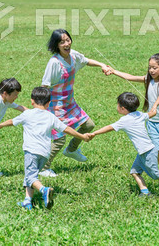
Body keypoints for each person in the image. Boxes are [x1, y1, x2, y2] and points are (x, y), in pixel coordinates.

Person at [0, 87, 91, 210]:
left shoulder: (27, 113)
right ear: (49, 103)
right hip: (45, 153)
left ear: (32, 101)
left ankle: (44, 190)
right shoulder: (51, 117)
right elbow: (66, 129)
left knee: (30, 176)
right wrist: (82, 136)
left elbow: (12, 121)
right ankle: (27, 201)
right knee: (31, 175)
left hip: (31, 151)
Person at [39, 29, 109, 177]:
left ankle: (71, 150)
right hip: (55, 105)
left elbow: (86, 61)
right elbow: (44, 86)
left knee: (88, 125)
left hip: (70, 102)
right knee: (59, 138)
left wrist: (102, 64)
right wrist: (41, 108)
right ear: (56, 45)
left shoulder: (73, 55)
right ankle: (44, 168)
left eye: (68, 40)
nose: (66, 44)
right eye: (62, 42)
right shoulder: (54, 63)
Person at [89, 92, 159, 197]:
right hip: (144, 151)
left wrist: (94, 133)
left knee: (156, 175)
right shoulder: (139, 114)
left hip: (147, 151)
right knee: (135, 172)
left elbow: (110, 127)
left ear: (122, 108)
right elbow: (150, 114)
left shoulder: (124, 120)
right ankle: (145, 192)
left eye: (117, 105)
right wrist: (154, 110)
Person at [105, 53, 159, 172]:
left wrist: (155, 104)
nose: (151, 70)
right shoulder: (148, 80)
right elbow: (130, 77)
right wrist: (114, 71)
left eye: (155, 68)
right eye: (150, 67)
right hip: (152, 123)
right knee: (158, 149)